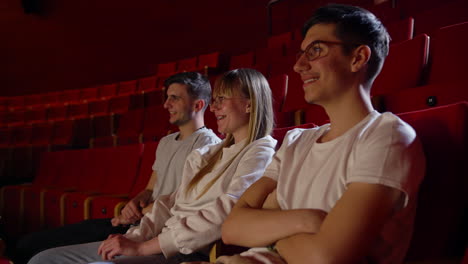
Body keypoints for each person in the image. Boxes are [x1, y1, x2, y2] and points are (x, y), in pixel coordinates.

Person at [216, 4, 426, 264]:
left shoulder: (387, 136)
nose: (298, 65)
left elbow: (326, 256)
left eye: (315, 50)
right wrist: (311, 219)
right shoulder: (296, 141)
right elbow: (232, 228)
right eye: (301, 53)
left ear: (358, 58)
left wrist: (271, 228)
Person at [28, 68, 277, 264]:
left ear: (250, 103)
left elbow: (226, 212)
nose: (215, 107)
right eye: (216, 99)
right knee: (44, 259)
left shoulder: (261, 151)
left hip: (183, 251)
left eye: (222, 99)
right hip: (157, 240)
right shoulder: (211, 153)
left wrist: (142, 247)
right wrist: (131, 238)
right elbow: (170, 202)